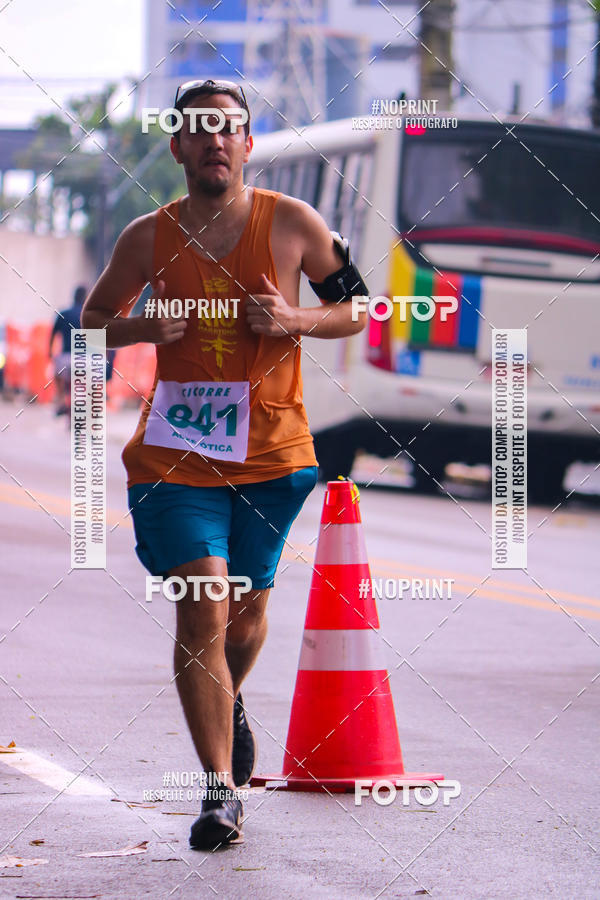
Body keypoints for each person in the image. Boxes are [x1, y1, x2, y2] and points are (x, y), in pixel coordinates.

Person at [81, 78, 368, 849]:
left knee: (245, 615)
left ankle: (226, 698)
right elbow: (92, 322)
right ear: (176, 145)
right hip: (175, 458)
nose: (215, 139)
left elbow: (360, 305)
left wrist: (298, 317)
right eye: (199, 128)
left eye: (229, 128)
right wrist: (143, 325)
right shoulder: (147, 236)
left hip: (273, 457)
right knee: (203, 598)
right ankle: (219, 792)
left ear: (247, 143)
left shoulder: (294, 224)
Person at [49, 285, 87, 415]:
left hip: (66, 358)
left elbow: (53, 335)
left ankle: (60, 402)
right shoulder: (88, 314)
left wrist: (49, 353)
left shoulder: (64, 313)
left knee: (57, 375)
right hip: (85, 360)